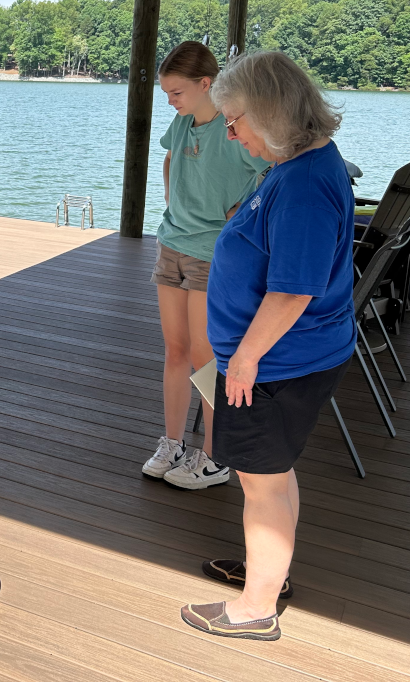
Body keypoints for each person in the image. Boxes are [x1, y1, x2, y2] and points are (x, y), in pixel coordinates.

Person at [180, 51, 356, 641]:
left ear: (272, 114)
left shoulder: (305, 184)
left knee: (262, 481)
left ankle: (253, 610)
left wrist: (245, 359)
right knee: (273, 475)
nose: (229, 131)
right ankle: (267, 576)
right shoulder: (300, 162)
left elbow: (292, 291)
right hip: (287, 358)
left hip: (277, 364)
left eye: (235, 120)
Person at [143, 42, 269, 491]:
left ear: (205, 84)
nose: (171, 101)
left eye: (177, 92)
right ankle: (172, 442)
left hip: (212, 253)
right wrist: (171, 200)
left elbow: (268, 171)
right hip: (171, 244)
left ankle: (215, 456)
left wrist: (244, 210)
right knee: (175, 350)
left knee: (205, 358)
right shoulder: (180, 125)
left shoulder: (234, 130)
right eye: (167, 93)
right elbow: (170, 158)